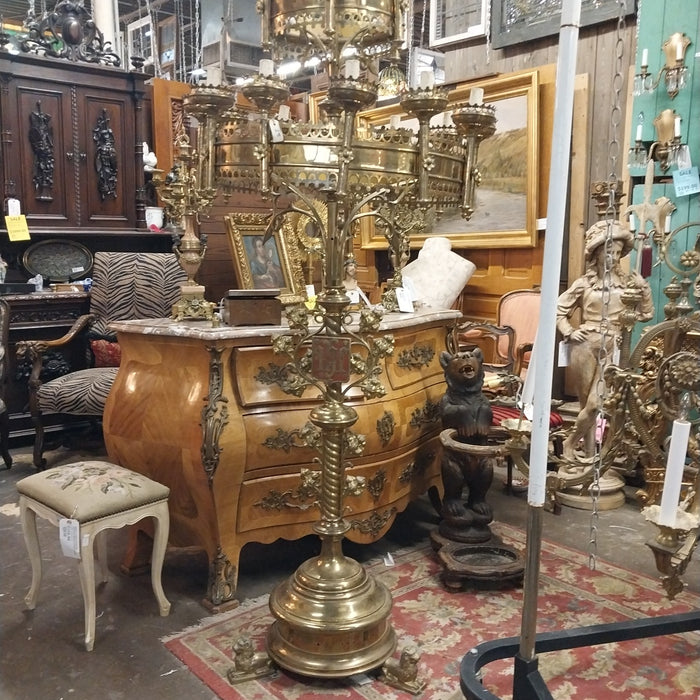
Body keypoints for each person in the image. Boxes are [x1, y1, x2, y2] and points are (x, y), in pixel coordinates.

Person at [556, 220, 653, 461]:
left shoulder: (629, 283)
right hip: (585, 344)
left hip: (615, 345)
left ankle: (569, 443)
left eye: (618, 253)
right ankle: (588, 456)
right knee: (584, 404)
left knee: (596, 404)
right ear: (598, 255)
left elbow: (646, 314)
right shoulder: (584, 284)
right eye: (608, 252)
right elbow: (557, 310)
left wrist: (645, 290)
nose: (613, 258)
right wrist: (568, 331)